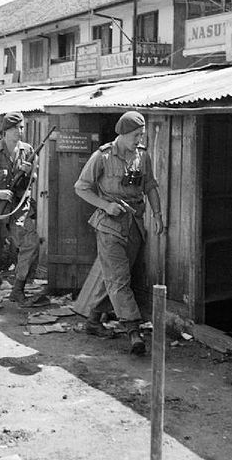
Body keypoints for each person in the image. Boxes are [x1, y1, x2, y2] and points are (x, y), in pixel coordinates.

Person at [74, 110, 164, 355]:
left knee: (114, 276)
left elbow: (150, 186)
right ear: (123, 134)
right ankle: (134, 331)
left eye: (141, 135)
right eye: (135, 135)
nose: (138, 139)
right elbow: (81, 187)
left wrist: (157, 215)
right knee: (119, 279)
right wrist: (105, 205)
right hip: (109, 225)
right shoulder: (101, 157)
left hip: (135, 224)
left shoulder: (142, 156)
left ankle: (93, 320)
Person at [0, 111, 41, 313]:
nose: (21, 131)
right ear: (6, 131)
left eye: (22, 127)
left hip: (19, 207)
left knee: (31, 243)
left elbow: (33, 180)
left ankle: (18, 288)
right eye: (17, 128)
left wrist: (30, 172)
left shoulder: (28, 150)